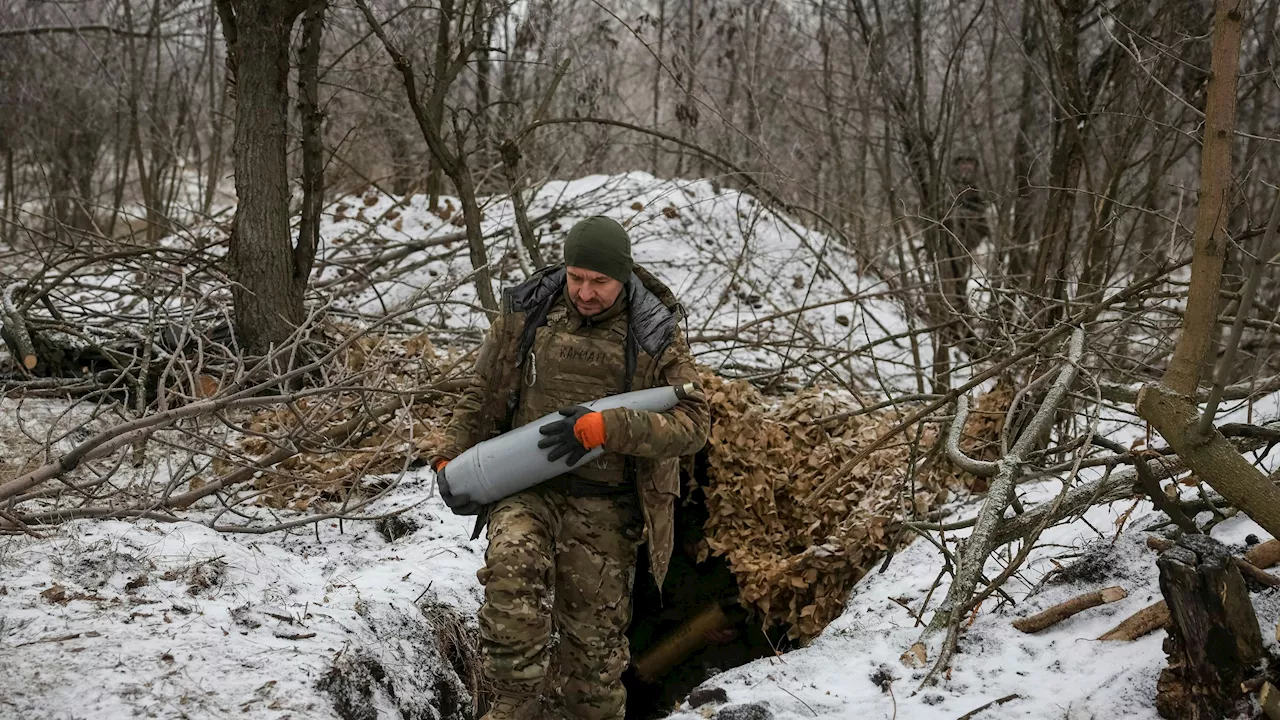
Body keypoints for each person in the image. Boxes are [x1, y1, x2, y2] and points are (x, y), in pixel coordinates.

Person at [431, 216, 710, 720]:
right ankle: (513, 706)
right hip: (526, 485)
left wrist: (609, 429)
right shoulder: (529, 312)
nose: (584, 291)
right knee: (511, 575)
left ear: (623, 277)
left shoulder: (653, 332)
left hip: (606, 504)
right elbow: (480, 391)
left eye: (599, 282)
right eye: (576, 277)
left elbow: (693, 422)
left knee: (593, 662)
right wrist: (451, 454)